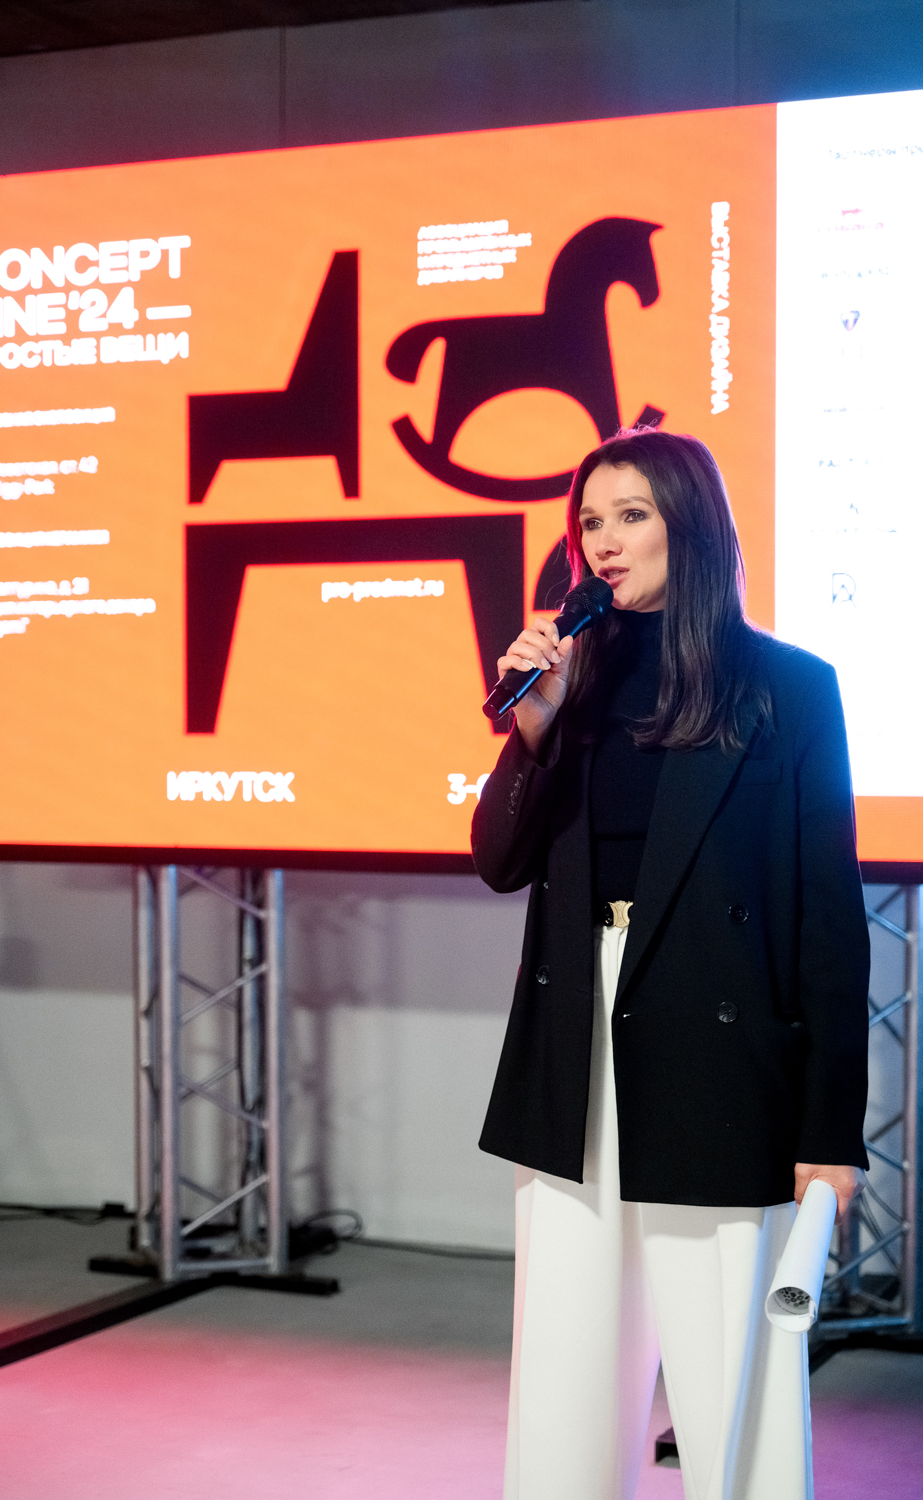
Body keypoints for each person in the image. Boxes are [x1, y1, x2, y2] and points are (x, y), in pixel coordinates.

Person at [471, 427, 869, 1500]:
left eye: (631, 514)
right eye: (589, 522)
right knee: (564, 1365)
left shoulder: (788, 686)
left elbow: (829, 923)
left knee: (730, 1371)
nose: (603, 540)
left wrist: (829, 1133)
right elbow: (499, 863)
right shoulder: (573, 686)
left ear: (689, 526)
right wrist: (533, 730)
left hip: (718, 1049)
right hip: (574, 1039)